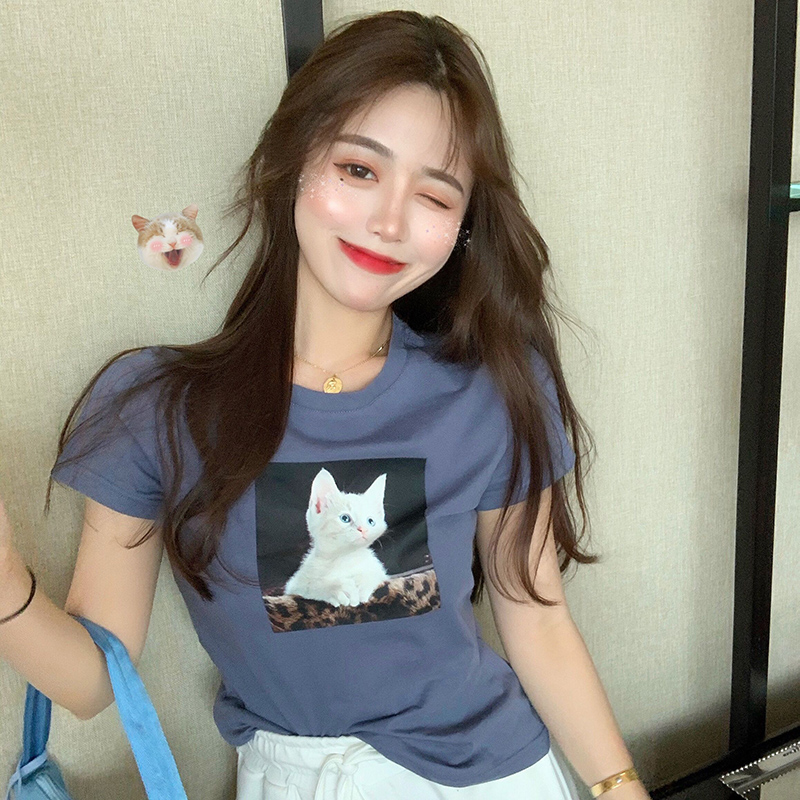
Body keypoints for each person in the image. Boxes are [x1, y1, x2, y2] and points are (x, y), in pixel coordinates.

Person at [0, 10, 653, 800]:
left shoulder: (490, 388)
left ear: (462, 227)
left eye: (434, 195)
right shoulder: (157, 410)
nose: (389, 221)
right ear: (292, 161)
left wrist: (619, 787)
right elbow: (93, 683)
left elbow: (538, 620)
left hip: (493, 778)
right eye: (359, 169)